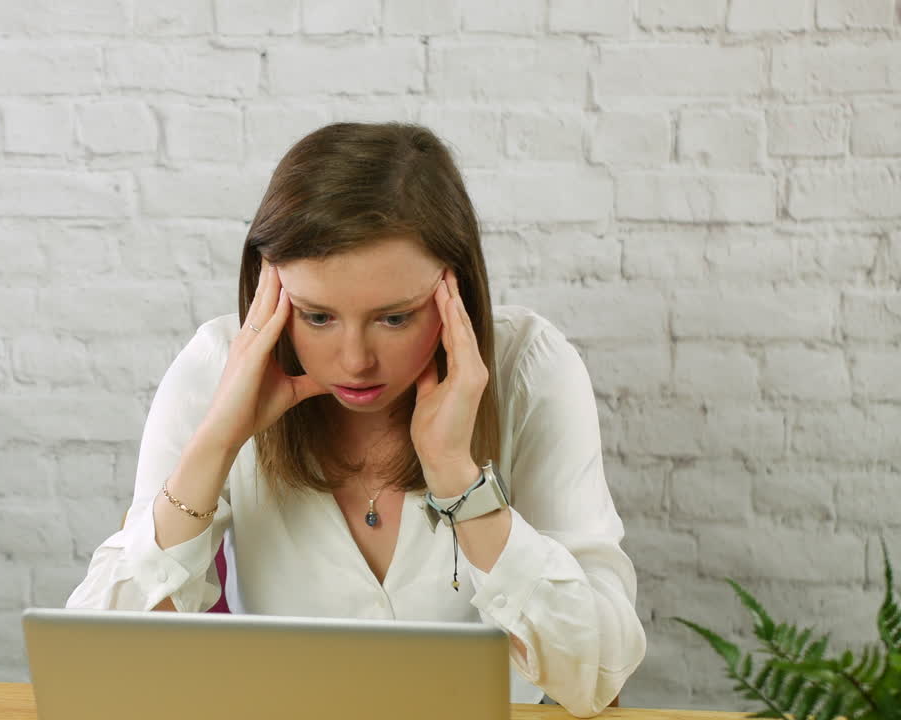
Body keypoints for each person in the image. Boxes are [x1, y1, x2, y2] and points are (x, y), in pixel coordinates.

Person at [66, 122, 646, 715]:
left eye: (395, 318)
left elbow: (597, 673)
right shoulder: (220, 365)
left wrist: (457, 475)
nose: (355, 361)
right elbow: (96, 671)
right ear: (271, 286)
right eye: (317, 316)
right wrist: (217, 442)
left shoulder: (530, 368)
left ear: (458, 291)